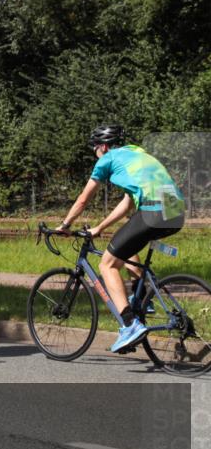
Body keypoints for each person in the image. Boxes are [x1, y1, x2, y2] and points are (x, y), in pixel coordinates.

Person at [57, 124, 186, 353]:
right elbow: (127, 204)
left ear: (104, 147)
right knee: (126, 248)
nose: (95, 153)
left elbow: (83, 199)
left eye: (96, 148)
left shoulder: (107, 159)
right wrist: (100, 227)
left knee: (107, 264)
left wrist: (65, 225)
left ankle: (129, 325)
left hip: (153, 210)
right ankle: (142, 301)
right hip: (176, 211)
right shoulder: (136, 154)